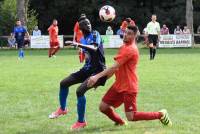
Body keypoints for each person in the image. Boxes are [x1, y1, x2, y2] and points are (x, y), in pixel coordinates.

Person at [87, 25, 172, 127]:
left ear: (135, 36)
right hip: (118, 84)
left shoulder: (130, 49)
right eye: (125, 32)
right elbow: (115, 69)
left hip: (129, 87)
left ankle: (160, 114)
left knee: (131, 116)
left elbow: (114, 67)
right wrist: (100, 81)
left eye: (129, 34)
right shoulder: (123, 47)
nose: (126, 35)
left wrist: (96, 77)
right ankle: (120, 122)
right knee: (103, 107)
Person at [49, 16, 107, 130]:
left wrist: (77, 44)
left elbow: (94, 48)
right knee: (64, 83)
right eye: (86, 24)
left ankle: (81, 122)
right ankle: (62, 109)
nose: (88, 25)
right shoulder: (83, 39)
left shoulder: (95, 34)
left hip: (99, 71)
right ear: (81, 28)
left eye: (89, 23)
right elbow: (88, 57)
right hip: (87, 69)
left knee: (80, 91)